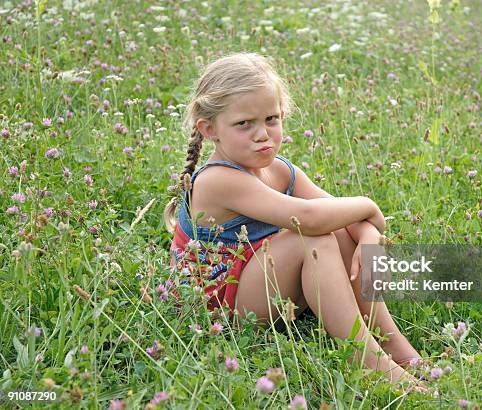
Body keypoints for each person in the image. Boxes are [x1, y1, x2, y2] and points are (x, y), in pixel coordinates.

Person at [163, 52, 425, 389]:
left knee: (339, 231)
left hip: (261, 285)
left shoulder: (279, 169)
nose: (262, 134)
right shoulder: (217, 180)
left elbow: (341, 215)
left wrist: (368, 235)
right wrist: (369, 207)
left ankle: (398, 348)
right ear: (209, 129)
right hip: (218, 311)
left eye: (271, 119)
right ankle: (373, 366)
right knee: (311, 237)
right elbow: (311, 218)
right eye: (245, 124)